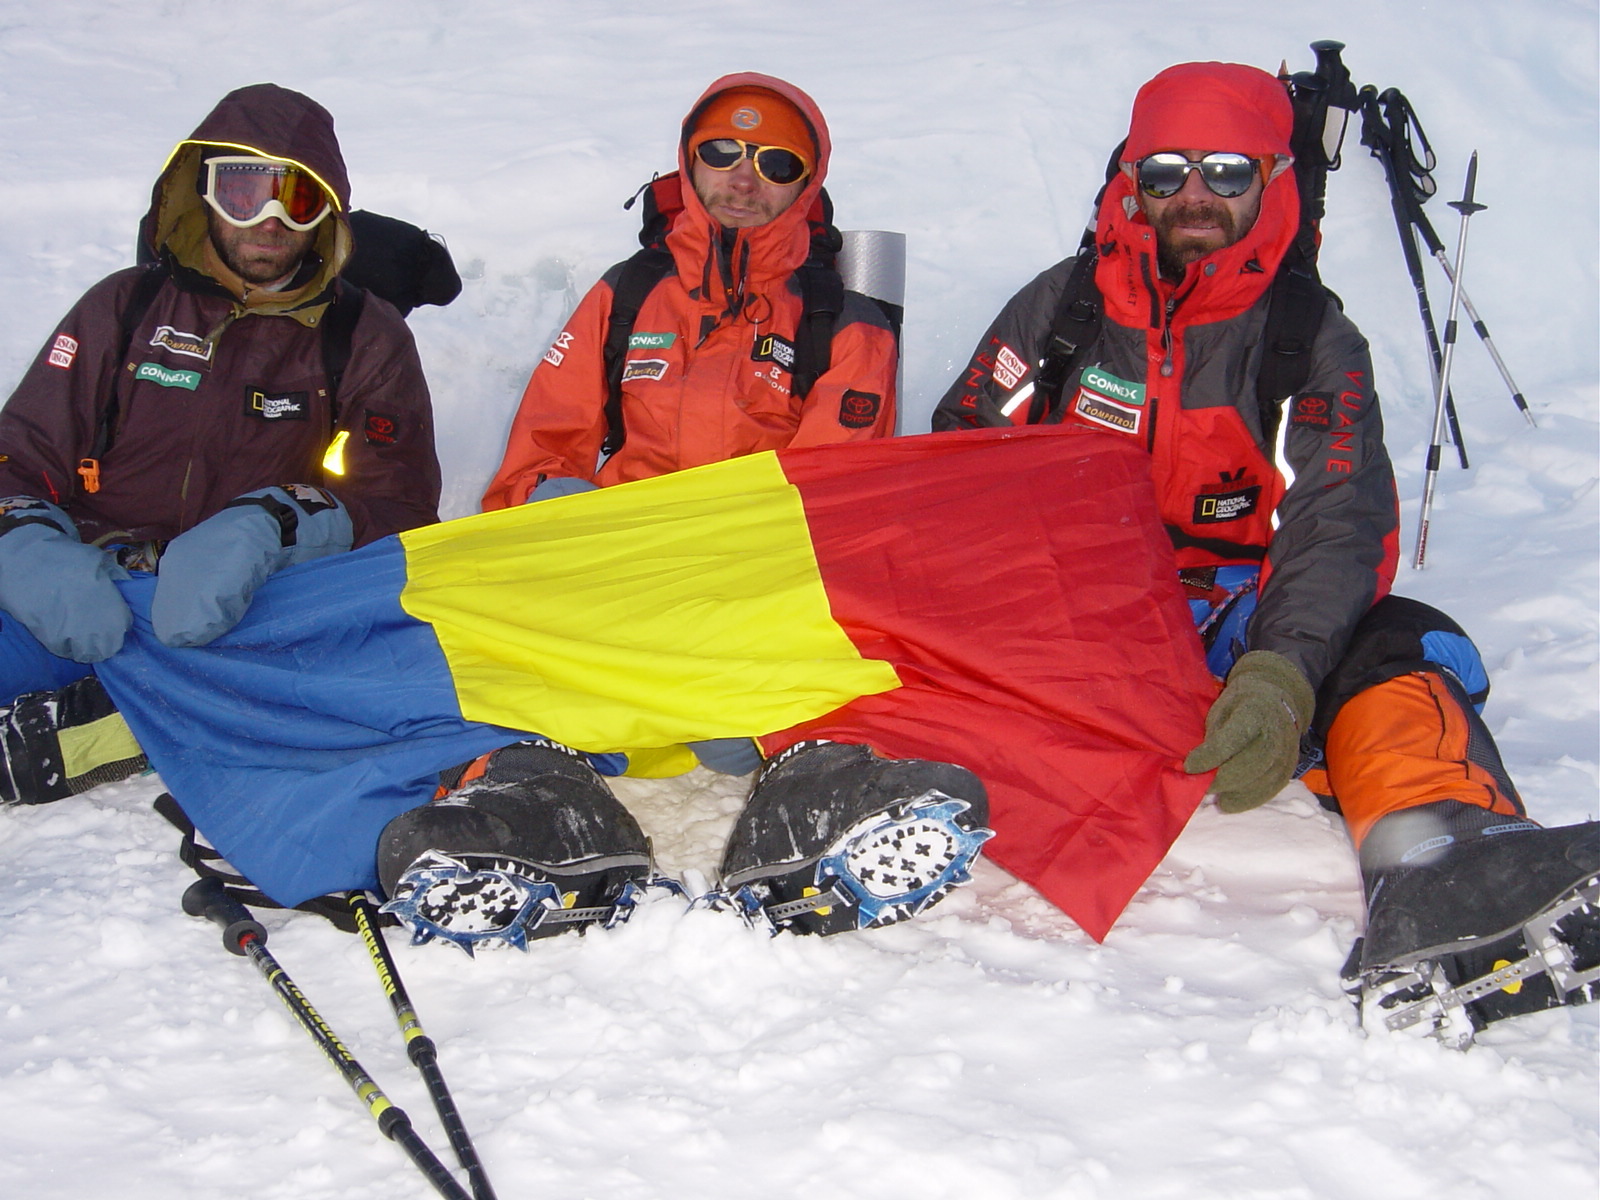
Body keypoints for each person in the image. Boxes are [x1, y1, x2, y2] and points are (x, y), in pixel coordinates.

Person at [933, 61, 1597, 1046]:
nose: (1193, 194)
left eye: (1226, 171)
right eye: (1166, 170)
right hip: (1079, 624)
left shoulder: (1308, 339)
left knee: (1400, 647)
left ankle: (1445, 863)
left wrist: (1283, 673)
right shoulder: (1060, 312)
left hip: (1235, 619)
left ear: (1272, 179)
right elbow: (957, 473)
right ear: (1130, 180)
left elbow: (1336, 520)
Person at [377, 74, 991, 953]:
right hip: (615, 582)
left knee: (843, 664)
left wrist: (704, 604)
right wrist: (552, 503)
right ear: (687, 162)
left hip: (751, 595)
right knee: (483, 632)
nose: (744, 176)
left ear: (807, 181)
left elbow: (832, 513)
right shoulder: (625, 294)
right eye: (721, 153)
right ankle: (542, 822)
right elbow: (538, 453)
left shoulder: (844, 325)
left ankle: (811, 810)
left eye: (775, 160)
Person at [0, 84, 441, 805]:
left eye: (295, 201)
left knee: (343, 686)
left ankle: (104, 731)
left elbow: (398, 504)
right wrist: (24, 545)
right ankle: (133, 708)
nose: (267, 221)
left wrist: (280, 519)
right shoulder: (123, 307)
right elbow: (19, 454)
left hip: (246, 605)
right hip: (84, 592)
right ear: (203, 193)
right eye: (243, 192)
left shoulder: (365, 336)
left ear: (326, 212)